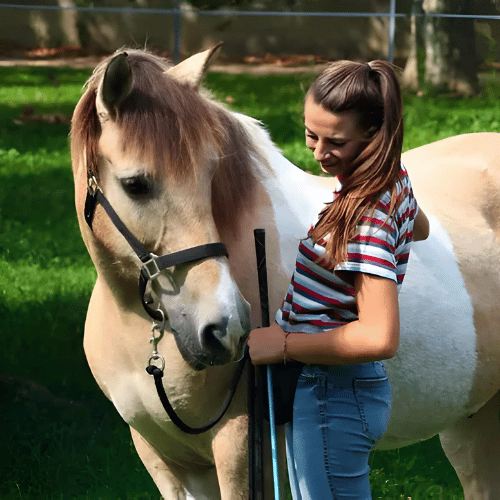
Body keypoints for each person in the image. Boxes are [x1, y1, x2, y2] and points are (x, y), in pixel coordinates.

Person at [247, 60, 429, 499]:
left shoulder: (367, 215)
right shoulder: (390, 180)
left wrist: (283, 345)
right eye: (312, 135)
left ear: (373, 135)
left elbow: (380, 337)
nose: (318, 152)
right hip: (332, 390)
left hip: (333, 394)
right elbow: (418, 226)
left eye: (336, 141)